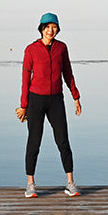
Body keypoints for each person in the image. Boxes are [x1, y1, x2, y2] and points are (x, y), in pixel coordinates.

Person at [15, 12, 82, 197]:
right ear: (42, 29)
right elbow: (25, 78)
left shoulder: (61, 48)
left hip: (56, 100)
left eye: (54, 27)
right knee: (34, 141)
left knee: (63, 141)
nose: (51, 30)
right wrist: (23, 105)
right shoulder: (31, 49)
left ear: (57, 29)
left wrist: (75, 97)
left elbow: (68, 73)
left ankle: (70, 182)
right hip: (36, 99)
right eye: (47, 27)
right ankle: (30, 184)